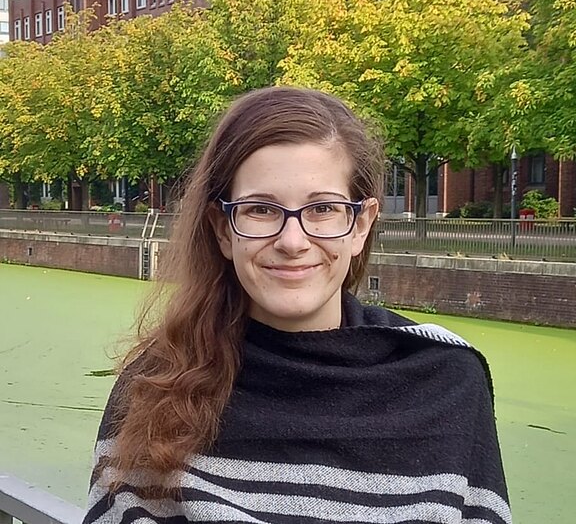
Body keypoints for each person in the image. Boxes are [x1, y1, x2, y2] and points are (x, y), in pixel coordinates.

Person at [84, 87, 512, 524]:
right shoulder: (155, 386)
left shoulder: (446, 379)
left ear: (360, 225)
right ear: (223, 230)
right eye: (261, 210)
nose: (292, 241)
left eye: (322, 208)